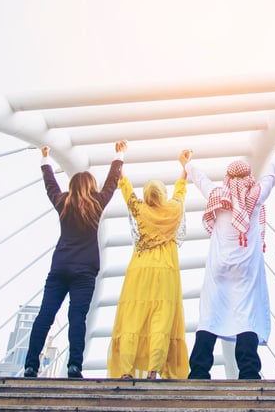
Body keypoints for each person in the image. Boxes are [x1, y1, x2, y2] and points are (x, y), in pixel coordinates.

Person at [23, 141, 125, 379]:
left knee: (45, 316)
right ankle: (74, 366)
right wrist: (119, 155)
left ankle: (30, 365)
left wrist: (45, 160)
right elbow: (112, 182)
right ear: (90, 186)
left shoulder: (63, 203)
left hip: (60, 267)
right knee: (77, 318)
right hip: (85, 271)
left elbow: (50, 186)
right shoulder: (97, 203)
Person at [182, 147, 275, 380]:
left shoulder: (218, 194)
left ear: (227, 179)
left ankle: (198, 370)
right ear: (248, 178)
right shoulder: (255, 196)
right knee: (245, 316)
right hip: (246, 268)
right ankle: (248, 371)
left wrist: (187, 165)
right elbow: (270, 177)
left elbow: (201, 180)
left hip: (219, 267)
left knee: (209, 314)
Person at [107, 147, 188, 380]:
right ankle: (154, 370)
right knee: (161, 320)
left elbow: (125, 188)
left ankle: (126, 370)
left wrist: (119, 157)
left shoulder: (140, 209)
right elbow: (181, 191)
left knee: (133, 318)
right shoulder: (174, 209)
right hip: (166, 272)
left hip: (140, 271)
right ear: (162, 194)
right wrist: (184, 169)